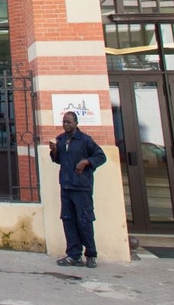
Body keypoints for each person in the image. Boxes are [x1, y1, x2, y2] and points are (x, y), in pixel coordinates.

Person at [48, 110, 107, 268]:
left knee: (85, 220)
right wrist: (53, 150)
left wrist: (86, 162)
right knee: (68, 220)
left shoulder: (85, 140)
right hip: (66, 186)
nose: (66, 125)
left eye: (69, 122)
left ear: (76, 123)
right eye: (64, 122)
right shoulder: (60, 140)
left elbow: (101, 157)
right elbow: (59, 160)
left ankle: (91, 254)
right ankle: (73, 254)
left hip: (81, 187)